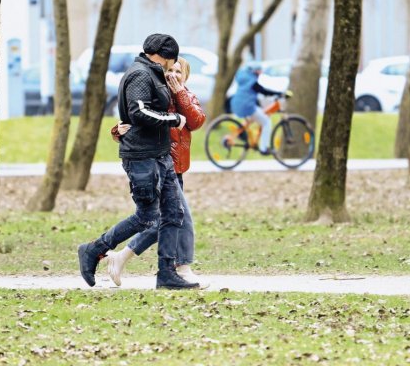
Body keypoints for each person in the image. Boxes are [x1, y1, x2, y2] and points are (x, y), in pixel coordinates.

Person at [77, 33, 200, 290]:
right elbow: (138, 111)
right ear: (166, 57)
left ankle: (167, 274)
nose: (171, 67)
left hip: (160, 154)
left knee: (174, 213)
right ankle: (93, 250)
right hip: (142, 157)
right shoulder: (141, 75)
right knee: (147, 217)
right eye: (172, 61)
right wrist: (174, 120)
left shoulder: (152, 73)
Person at [107, 57, 206, 287]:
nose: (172, 75)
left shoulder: (186, 97)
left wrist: (180, 93)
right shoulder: (155, 96)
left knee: (164, 220)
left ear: (185, 76)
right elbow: (137, 118)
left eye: (178, 72)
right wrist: (117, 130)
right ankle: (183, 268)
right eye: (168, 70)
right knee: (180, 216)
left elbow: (196, 120)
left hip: (176, 169)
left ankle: (119, 257)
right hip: (158, 166)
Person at [230, 64, 283, 155]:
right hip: (247, 106)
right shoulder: (252, 81)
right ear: (255, 71)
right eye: (259, 71)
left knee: (257, 115)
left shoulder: (245, 79)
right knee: (266, 122)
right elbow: (263, 90)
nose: (260, 73)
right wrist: (278, 93)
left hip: (238, 104)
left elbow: (251, 94)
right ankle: (263, 148)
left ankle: (240, 132)